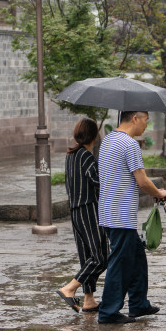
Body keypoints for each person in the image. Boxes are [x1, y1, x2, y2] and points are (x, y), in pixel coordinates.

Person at [97, 110, 166, 324]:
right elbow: (142, 181)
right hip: (120, 213)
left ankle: (139, 304)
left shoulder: (108, 140)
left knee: (137, 257)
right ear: (135, 118)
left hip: (109, 210)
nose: (146, 125)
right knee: (119, 263)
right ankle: (108, 312)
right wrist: (159, 193)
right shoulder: (129, 144)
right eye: (146, 120)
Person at [56, 119, 107, 313]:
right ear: (94, 136)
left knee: (87, 257)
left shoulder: (71, 155)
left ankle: (89, 299)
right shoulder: (86, 156)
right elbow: (97, 182)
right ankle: (69, 288)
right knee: (101, 257)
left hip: (75, 211)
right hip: (88, 209)